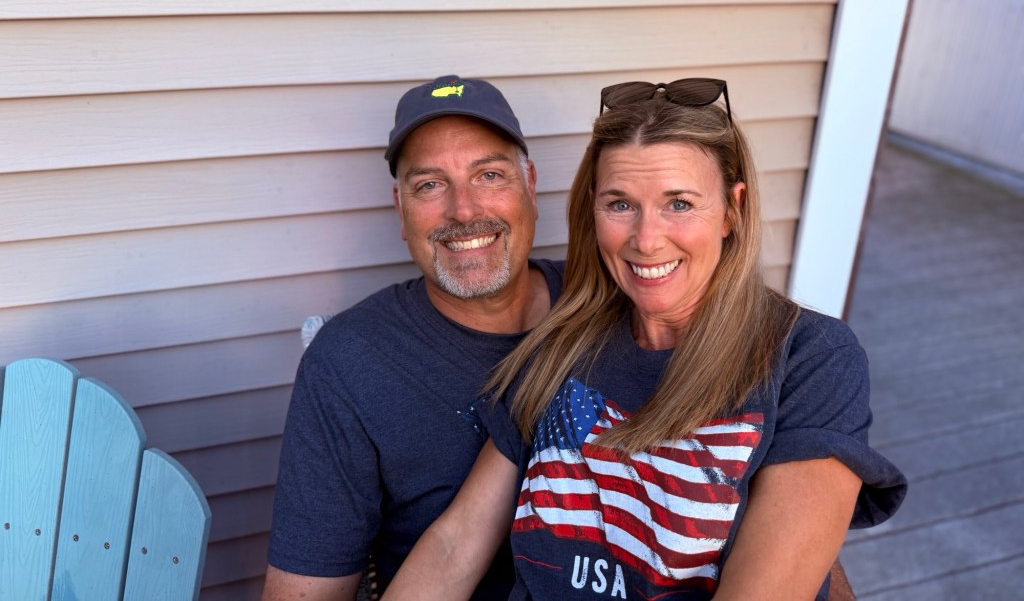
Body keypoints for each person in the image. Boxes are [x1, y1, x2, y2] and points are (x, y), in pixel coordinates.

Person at [381, 79, 907, 601]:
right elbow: (455, 545)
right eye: (620, 204)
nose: (647, 239)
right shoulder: (564, 343)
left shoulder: (808, 359)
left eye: (679, 203)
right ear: (592, 209)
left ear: (732, 209)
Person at [262, 76, 564, 601]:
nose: (464, 210)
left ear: (530, 186)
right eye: (429, 185)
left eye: (489, 175)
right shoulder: (350, 364)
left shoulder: (608, 305)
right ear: (401, 210)